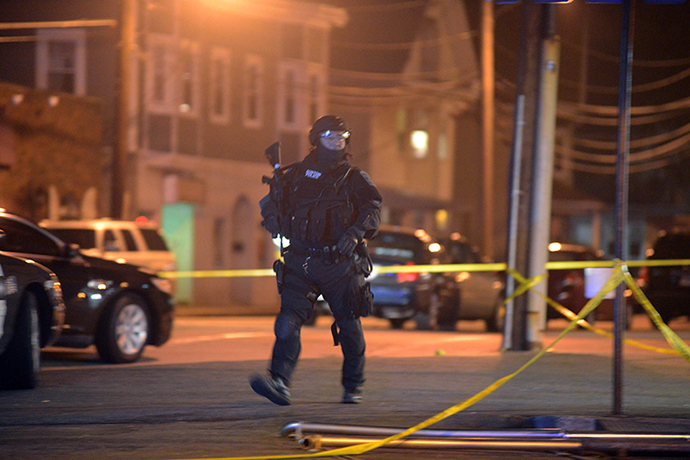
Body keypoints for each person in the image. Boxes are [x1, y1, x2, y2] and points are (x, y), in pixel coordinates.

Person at [250, 115, 382, 405]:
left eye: (341, 137)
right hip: (300, 262)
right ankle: (279, 382)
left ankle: (353, 385)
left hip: (340, 265)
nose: (336, 141)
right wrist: (272, 218)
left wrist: (357, 231)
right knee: (286, 324)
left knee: (349, 327)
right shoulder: (295, 175)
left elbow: (373, 207)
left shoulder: (354, 178)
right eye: (330, 136)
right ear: (316, 139)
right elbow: (271, 202)